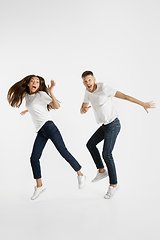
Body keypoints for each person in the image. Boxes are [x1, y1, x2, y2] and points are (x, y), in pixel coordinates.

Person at [7, 75, 86, 200]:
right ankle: (39, 186)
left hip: (49, 127)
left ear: (39, 85)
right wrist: (27, 111)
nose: (34, 83)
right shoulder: (28, 96)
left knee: (63, 152)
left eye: (37, 82)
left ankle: (80, 174)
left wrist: (50, 92)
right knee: (34, 158)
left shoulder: (41, 95)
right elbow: (35, 106)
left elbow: (56, 106)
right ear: (28, 83)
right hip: (40, 131)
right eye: (32, 81)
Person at [80, 70, 155, 199]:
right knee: (90, 144)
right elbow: (83, 107)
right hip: (104, 126)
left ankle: (114, 185)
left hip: (113, 124)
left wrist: (142, 103)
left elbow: (125, 96)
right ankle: (102, 170)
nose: (88, 83)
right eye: (85, 81)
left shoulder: (104, 88)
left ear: (94, 79)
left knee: (106, 154)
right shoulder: (87, 92)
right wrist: (83, 109)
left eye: (89, 80)